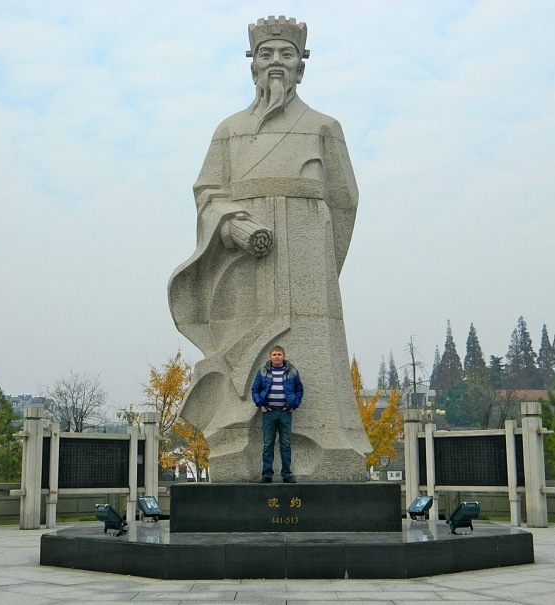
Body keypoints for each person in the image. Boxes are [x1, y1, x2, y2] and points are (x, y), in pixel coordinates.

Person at [169, 16, 371, 482]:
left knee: (316, 356)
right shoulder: (229, 130)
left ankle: (330, 442)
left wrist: (320, 266)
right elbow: (207, 192)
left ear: (301, 65)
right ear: (253, 65)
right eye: (266, 54)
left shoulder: (323, 126)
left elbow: (345, 201)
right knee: (240, 358)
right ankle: (235, 444)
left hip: (307, 255)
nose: (276, 62)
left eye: (286, 53)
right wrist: (233, 226)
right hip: (244, 262)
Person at [251, 345, 303, 483]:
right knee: (268, 444)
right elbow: (255, 390)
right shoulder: (262, 372)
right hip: (269, 413)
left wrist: (294, 405)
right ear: (270, 357)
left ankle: (286, 474)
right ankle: (267, 474)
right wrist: (261, 405)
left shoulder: (292, 371)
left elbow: (299, 390)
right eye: (274, 354)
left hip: (285, 413)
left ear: (283, 356)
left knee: (285, 444)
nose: (277, 357)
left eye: (279, 354)